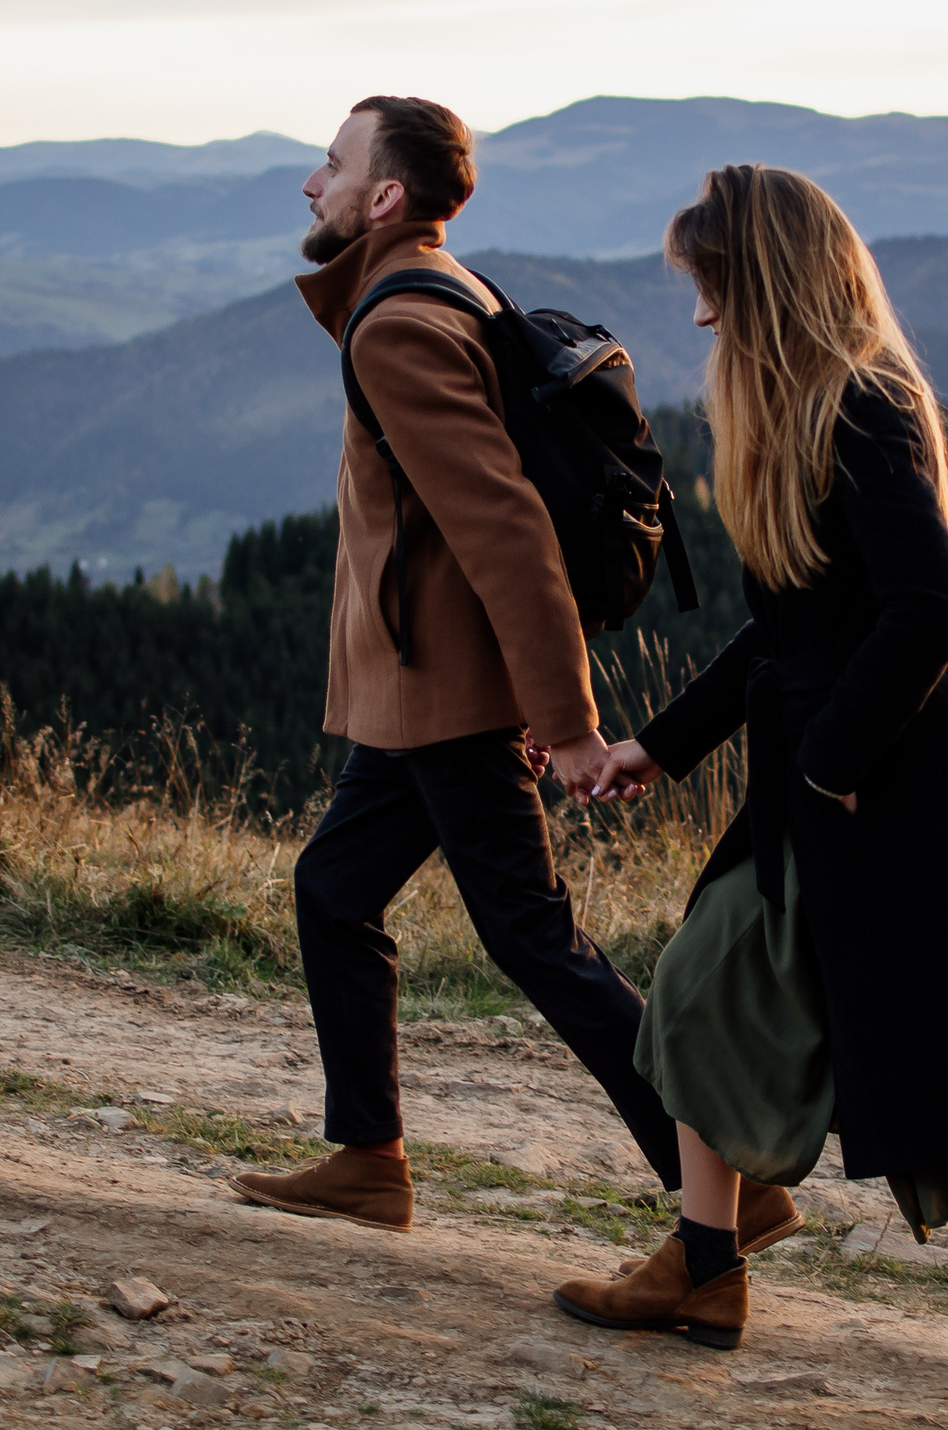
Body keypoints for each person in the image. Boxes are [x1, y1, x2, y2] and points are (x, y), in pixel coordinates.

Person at [548, 166, 948, 1430]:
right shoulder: (799, 404)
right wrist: (660, 746)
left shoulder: (862, 404)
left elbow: (929, 611)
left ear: (772, 281)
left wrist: (830, 765)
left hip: (901, 786)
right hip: (830, 776)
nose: (699, 317)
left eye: (714, 286)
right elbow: (785, 629)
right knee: (696, 984)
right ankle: (704, 1261)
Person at [229, 98, 792, 1247]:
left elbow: (506, 532)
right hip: (420, 687)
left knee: (536, 939)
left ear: (385, 198)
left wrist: (567, 722)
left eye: (333, 165)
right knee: (334, 890)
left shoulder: (397, 324)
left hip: (450, 689)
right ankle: (367, 1155)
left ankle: (731, 1182)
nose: (311, 184)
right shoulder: (453, 291)